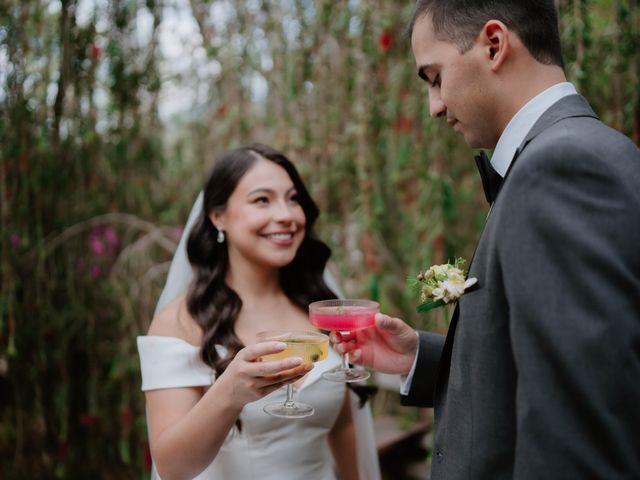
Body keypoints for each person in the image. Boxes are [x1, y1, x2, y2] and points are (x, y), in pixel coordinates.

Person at [333, 1, 640, 478]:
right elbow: (556, 367)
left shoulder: (560, 170)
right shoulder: (578, 153)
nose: (434, 107)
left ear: (494, 46)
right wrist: (420, 357)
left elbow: (577, 435)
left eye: (435, 78)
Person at [137, 143, 381, 480]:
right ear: (217, 216)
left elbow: (341, 426)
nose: (286, 215)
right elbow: (173, 467)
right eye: (262, 200)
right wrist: (230, 393)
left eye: (293, 198)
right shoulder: (180, 321)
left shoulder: (319, 308)